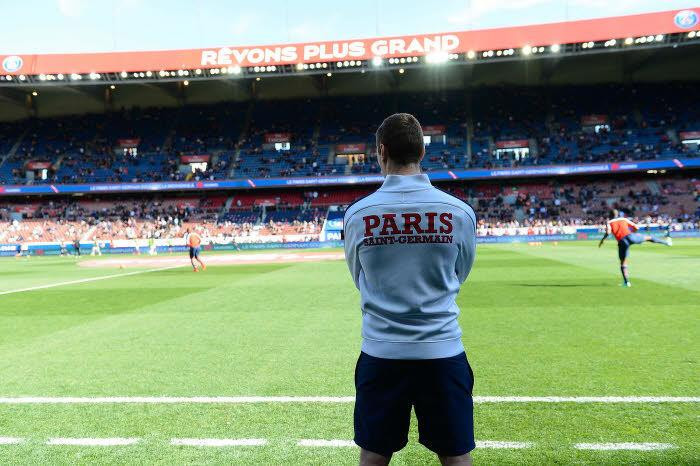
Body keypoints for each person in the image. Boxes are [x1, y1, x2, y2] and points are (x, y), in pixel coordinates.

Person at [343, 113, 478, 466]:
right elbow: (460, 274)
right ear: (422, 151)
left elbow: (358, 277)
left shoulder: (357, 214)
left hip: (381, 353)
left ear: (381, 151)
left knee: (373, 453)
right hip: (443, 350)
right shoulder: (460, 212)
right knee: (456, 453)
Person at [598, 209, 672, 287]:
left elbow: (608, 232)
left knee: (623, 263)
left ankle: (627, 282)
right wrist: (633, 234)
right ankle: (667, 243)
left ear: (609, 215)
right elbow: (636, 227)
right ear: (618, 214)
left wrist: (602, 240)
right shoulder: (623, 219)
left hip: (622, 242)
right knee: (649, 238)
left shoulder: (609, 222)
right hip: (631, 237)